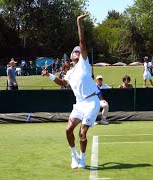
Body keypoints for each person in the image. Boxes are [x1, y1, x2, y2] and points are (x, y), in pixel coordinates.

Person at [41, 14, 100, 169]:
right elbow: (62, 83)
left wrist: (78, 23)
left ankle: (83, 158)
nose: (77, 52)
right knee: (68, 130)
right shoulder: (69, 73)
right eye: (75, 52)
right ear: (72, 55)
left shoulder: (84, 63)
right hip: (79, 104)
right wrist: (49, 76)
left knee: (82, 133)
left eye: (79, 51)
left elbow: (82, 42)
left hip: (92, 102)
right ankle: (74, 156)